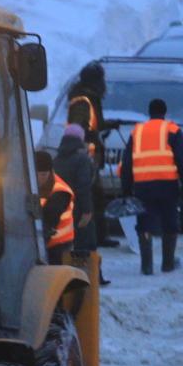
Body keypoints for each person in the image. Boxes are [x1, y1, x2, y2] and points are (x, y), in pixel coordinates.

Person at [119, 99, 183, 275]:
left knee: (144, 223)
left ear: (149, 112)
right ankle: (167, 263)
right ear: (164, 112)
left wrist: (126, 188)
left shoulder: (137, 131)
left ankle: (147, 266)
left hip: (143, 185)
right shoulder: (173, 130)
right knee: (170, 222)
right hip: (168, 184)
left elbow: (127, 162)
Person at [67, 62, 118, 248]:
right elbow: (78, 126)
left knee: (96, 197)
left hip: (90, 157)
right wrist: (91, 139)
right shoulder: (83, 101)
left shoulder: (90, 98)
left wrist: (109, 125)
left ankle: (98, 236)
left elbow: (93, 123)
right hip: (85, 157)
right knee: (89, 199)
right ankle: (89, 239)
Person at [55, 124, 110, 285]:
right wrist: (87, 210)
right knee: (86, 242)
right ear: (80, 139)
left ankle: (70, 278)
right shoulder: (82, 159)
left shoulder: (56, 159)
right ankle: (93, 277)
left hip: (62, 208)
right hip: (79, 207)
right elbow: (83, 186)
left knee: (67, 244)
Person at [36, 151, 75, 266]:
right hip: (44, 243)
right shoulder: (29, 184)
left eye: (43, 175)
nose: (39, 179)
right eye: (36, 174)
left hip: (59, 247)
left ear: (51, 172)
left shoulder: (60, 192)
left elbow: (48, 221)